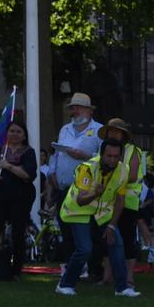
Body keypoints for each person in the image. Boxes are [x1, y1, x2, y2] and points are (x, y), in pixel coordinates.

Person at [55, 139, 139, 297]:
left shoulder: (123, 169)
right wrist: (95, 193)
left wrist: (112, 226)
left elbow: (120, 200)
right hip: (78, 211)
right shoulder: (87, 168)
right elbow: (80, 200)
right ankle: (65, 284)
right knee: (84, 249)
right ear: (101, 154)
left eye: (116, 156)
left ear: (120, 156)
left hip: (103, 213)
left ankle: (122, 288)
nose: (112, 160)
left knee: (117, 243)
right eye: (109, 156)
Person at [48, 93, 103, 259]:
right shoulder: (64, 129)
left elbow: (106, 158)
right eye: (72, 107)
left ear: (89, 110)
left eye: (78, 107)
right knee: (66, 231)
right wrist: (52, 172)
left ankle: (91, 267)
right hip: (64, 188)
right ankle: (71, 266)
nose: (74, 110)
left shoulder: (99, 130)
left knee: (89, 230)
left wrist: (85, 156)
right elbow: (56, 154)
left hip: (86, 190)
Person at [0, 122, 37, 281]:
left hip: (20, 199)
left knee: (17, 234)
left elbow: (28, 175)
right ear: (7, 133)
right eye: (12, 131)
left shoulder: (29, 153)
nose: (15, 134)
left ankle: (16, 272)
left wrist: (8, 166)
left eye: (18, 131)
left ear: (24, 135)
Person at [97, 119, 144, 288]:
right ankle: (107, 276)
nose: (114, 134)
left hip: (128, 201)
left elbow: (132, 175)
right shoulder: (104, 150)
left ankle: (129, 277)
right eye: (111, 131)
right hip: (108, 201)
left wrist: (113, 178)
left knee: (128, 238)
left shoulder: (133, 151)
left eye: (117, 131)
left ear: (124, 134)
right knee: (107, 239)